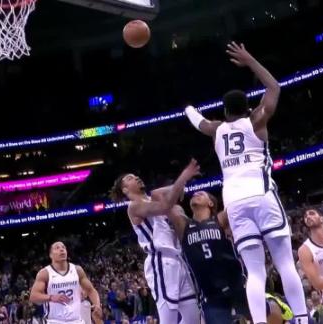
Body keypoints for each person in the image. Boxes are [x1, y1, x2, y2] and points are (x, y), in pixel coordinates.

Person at [183, 42, 308, 324]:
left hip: (235, 203)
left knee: (254, 272)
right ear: (248, 107)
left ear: (225, 111)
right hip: (261, 193)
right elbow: (274, 88)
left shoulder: (217, 130)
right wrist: (250, 60)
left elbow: (197, 120)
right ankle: (301, 319)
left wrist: (188, 106)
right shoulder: (256, 121)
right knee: (284, 262)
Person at [154, 188, 292, 324]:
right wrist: (178, 186)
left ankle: (273, 301)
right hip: (210, 295)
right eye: (195, 193)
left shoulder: (220, 219)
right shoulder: (183, 225)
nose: (196, 194)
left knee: (268, 313)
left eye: (201, 193)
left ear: (211, 203)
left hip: (236, 285)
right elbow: (157, 195)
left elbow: (240, 202)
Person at [110, 160, 201, 323]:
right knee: (169, 319)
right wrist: (183, 177)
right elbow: (166, 205)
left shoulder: (152, 198)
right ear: (125, 190)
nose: (136, 177)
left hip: (178, 260)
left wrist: (175, 188)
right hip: (161, 262)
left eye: (135, 175)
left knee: (193, 317)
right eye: (130, 178)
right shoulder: (134, 206)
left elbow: (171, 194)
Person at [29, 241, 102, 324]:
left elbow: (91, 290)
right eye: (57, 248)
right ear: (51, 255)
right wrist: (51, 297)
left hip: (77, 320)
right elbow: (33, 297)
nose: (61, 249)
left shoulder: (77, 270)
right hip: (54, 321)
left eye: (63, 247)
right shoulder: (45, 273)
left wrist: (97, 305)